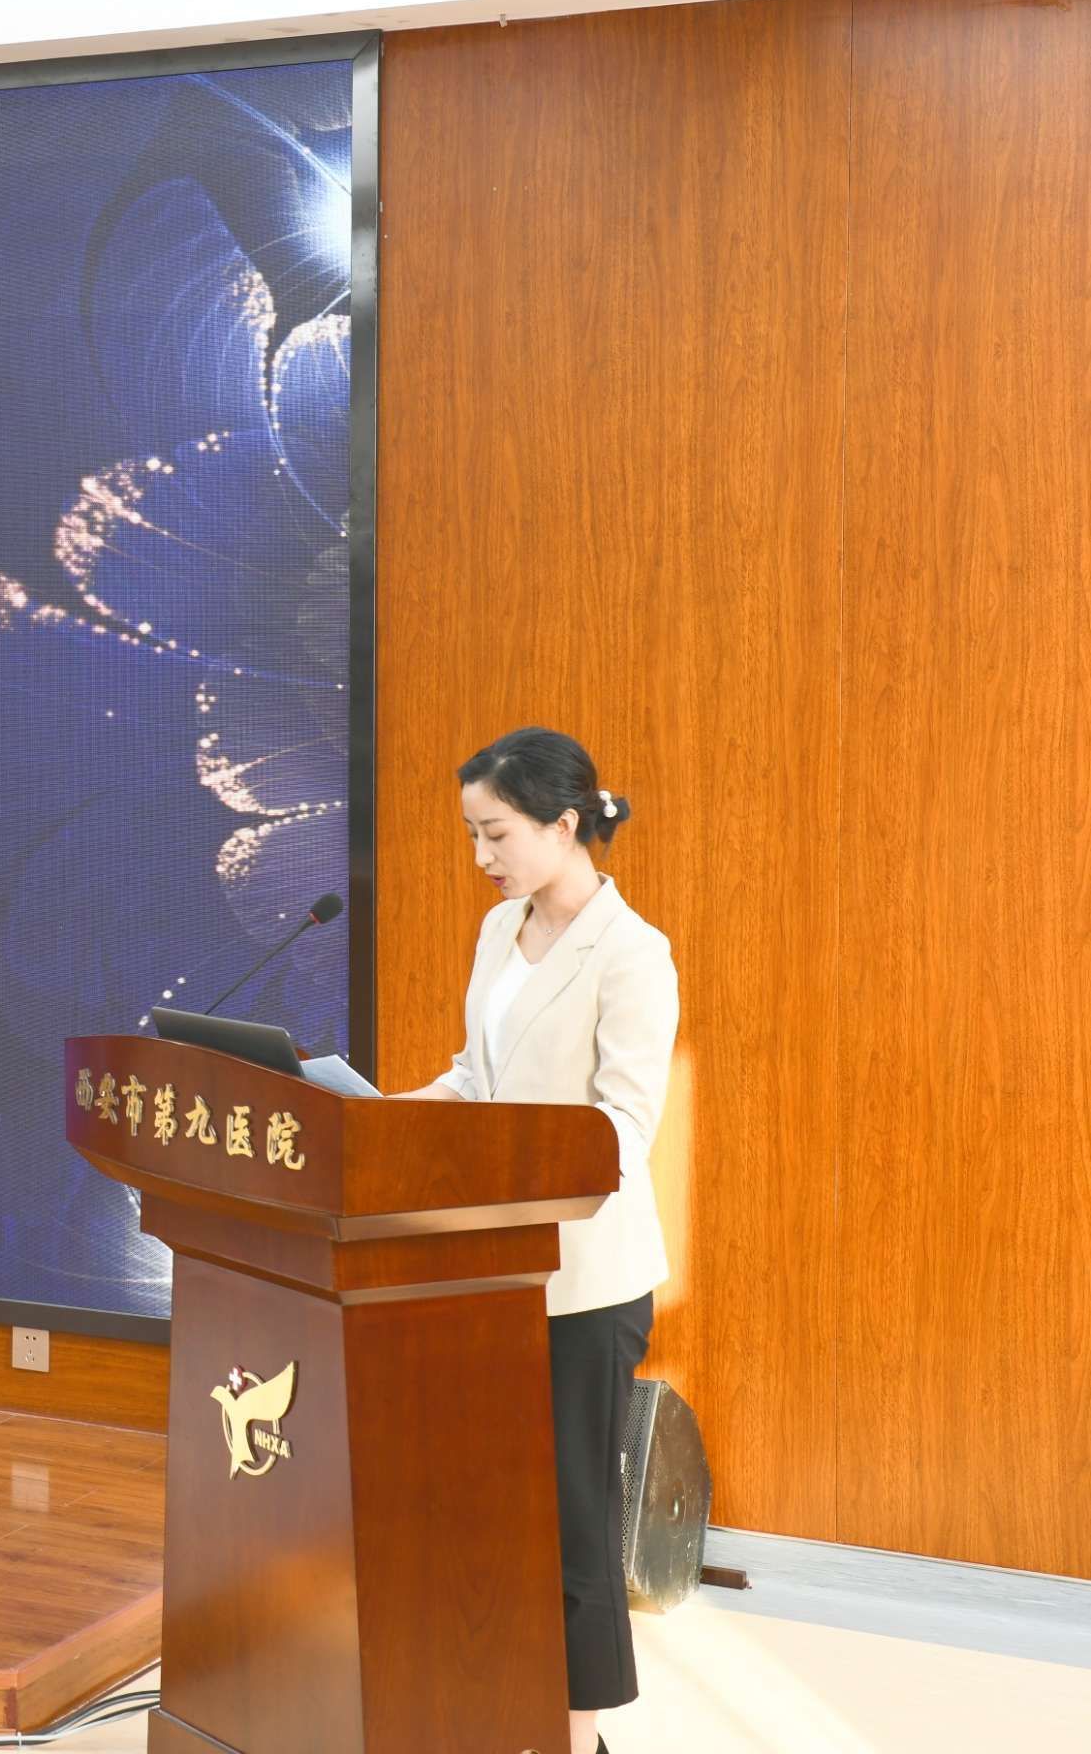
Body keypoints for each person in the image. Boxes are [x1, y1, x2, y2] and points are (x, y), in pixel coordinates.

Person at [396, 727, 675, 1754]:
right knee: (489, 1509)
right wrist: (375, 1117)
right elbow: (477, 1079)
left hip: (583, 1281)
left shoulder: (633, 953)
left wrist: (511, 1173)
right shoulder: (496, 928)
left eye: (497, 832)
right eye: (472, 834)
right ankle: (500, 1707)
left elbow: (622, 1126)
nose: (482, 855)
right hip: (488, 1269)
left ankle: (575, 1735)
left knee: (570, 1516)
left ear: (564, 823)